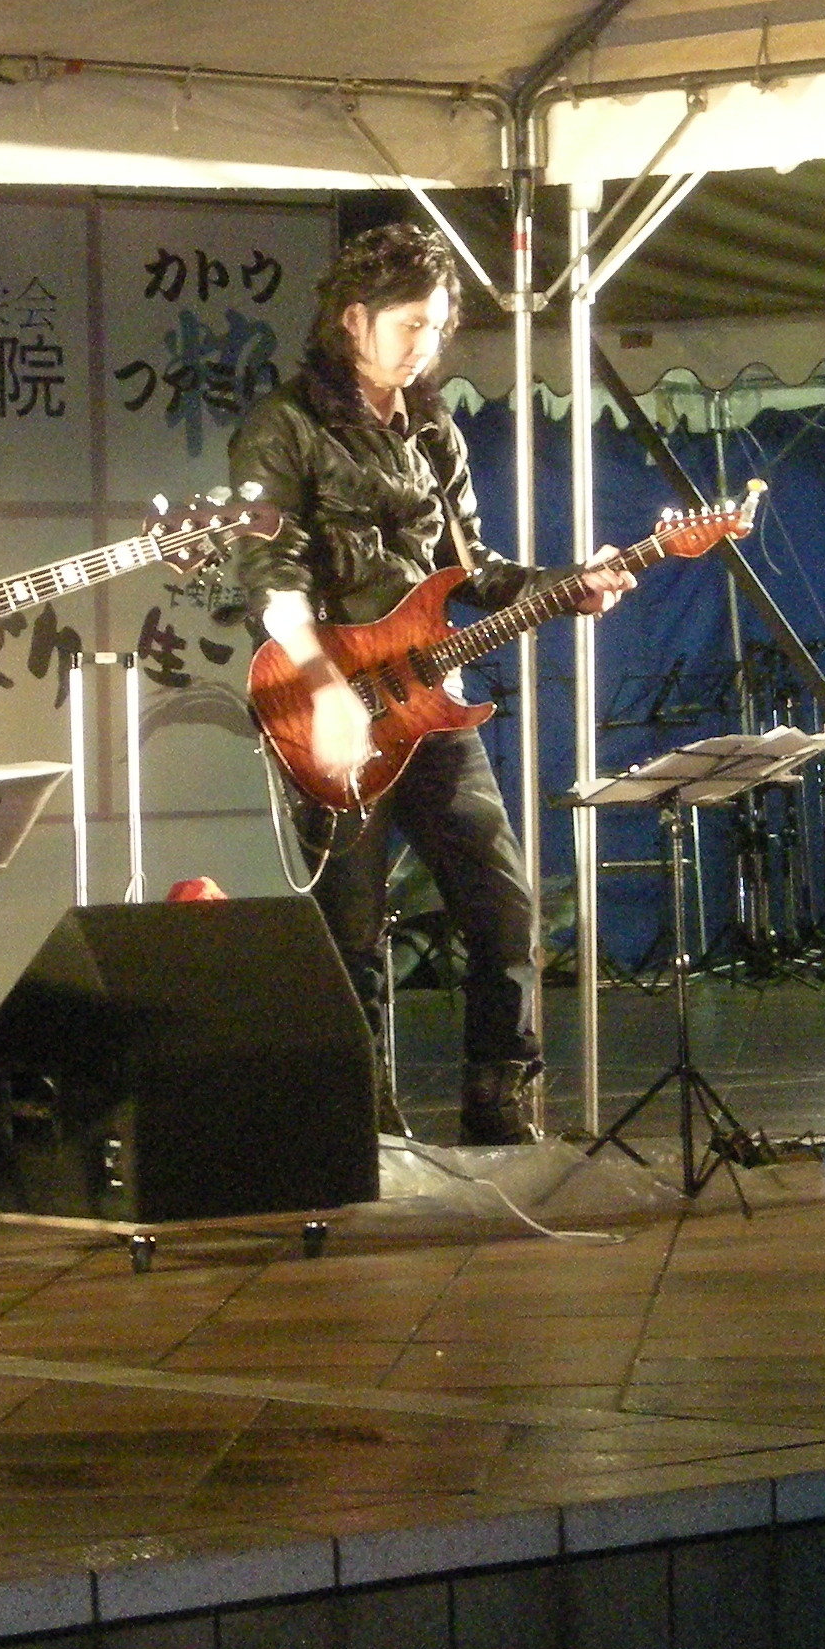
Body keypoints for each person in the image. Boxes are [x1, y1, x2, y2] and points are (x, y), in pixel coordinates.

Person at [228, 223, 630, 1147]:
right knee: (352, 932)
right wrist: (326, 684)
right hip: (331, 707)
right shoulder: (282, 426)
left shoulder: (432, 428)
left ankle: (500, 1109)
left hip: (430, 702)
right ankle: (364, 1129)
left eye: (439, 327)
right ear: (354, 319)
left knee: (506, 908)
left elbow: (472, 569)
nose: (426, 344)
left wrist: (569, 584)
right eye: (411, 324)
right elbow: (269, 578)